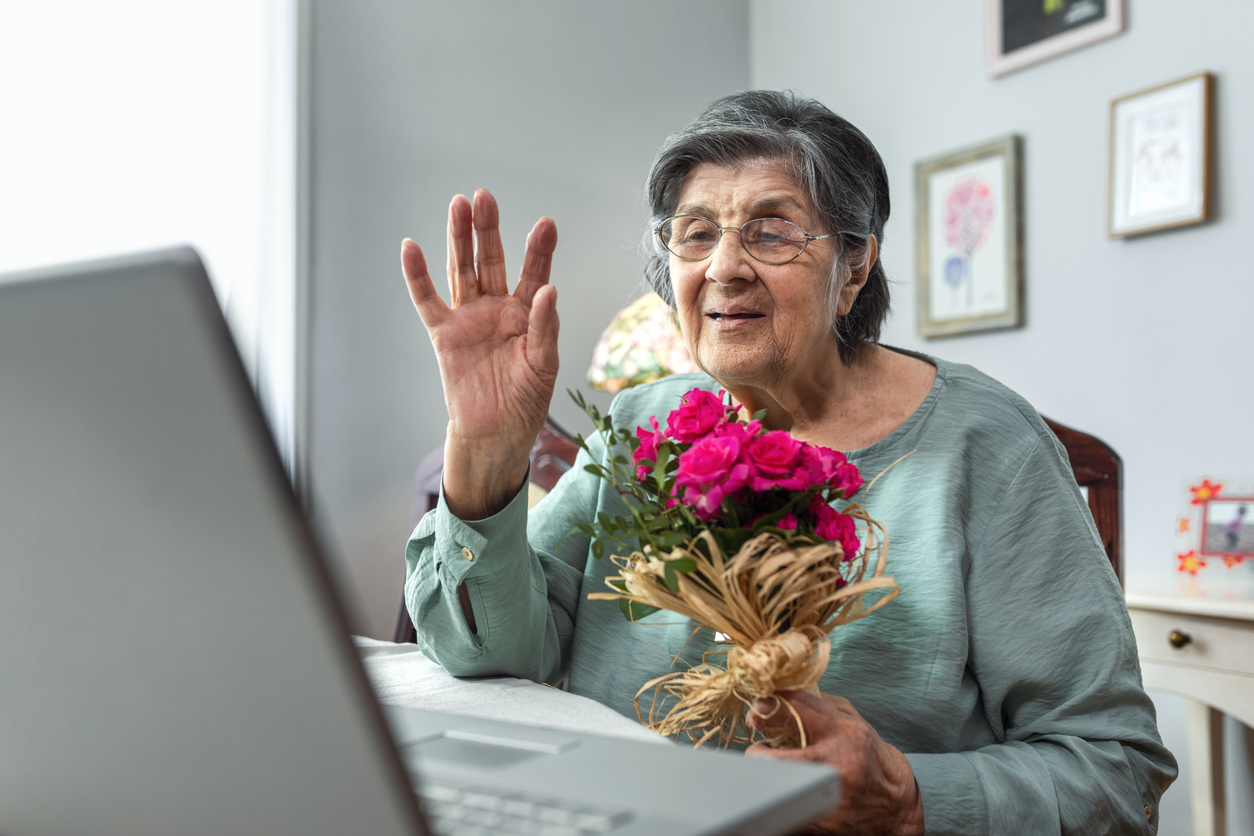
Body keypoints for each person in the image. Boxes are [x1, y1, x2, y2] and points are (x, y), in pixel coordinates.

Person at [400, 91, 1176, 835]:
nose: (725, 267)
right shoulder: (638, 426)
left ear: (857, 266)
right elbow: (487, 652)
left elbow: (1116, 771)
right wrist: (488, 453)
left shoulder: (988, 445)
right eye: (697, 234)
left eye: (771, 232)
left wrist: (909, 802)